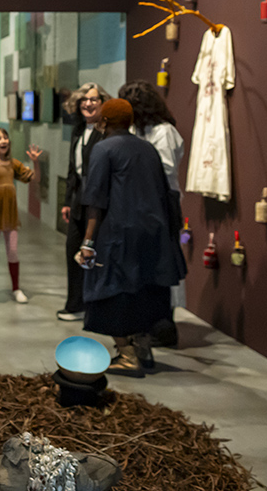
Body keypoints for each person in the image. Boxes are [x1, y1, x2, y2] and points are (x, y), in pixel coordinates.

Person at [76, 99, 187, 377]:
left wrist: (87, 242)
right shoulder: (147, 148)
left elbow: (96, 200)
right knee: (145, 290)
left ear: (106, 122)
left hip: (118, 234)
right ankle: (144, 348)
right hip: (152, 233)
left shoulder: (104, 149)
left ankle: (127, 355)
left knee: (112, 292)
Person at [118, 80, 186, 347]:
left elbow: (166, 170)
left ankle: (163, 327)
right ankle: (147, 323)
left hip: (162, 205)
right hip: (142, 206)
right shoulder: (139, 130)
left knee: (162, 266)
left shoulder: (164, 132)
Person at [58, 83, 109, 321]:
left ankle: (94, 306)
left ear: (102, 103)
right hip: (79, 201)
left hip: (98, 203)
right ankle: (75, 303)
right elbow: (73, 169)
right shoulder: (78, 130)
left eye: (93, 100)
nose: (88, 104)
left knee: (93, 255)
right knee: (73, 251)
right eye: (84, 100)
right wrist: (68, 201)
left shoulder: (105, 132)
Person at [0, 127, 42, 303]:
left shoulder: (13, 163)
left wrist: (35, 162)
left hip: (10, 212)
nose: (3, 141)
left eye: (5, 137)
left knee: (13, 251)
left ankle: (16, 288)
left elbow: (34, 178)